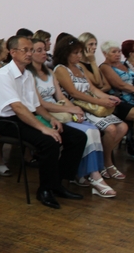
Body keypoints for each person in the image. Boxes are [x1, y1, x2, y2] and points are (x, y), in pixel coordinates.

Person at [0, 36, 87, 209]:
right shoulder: (4, 75)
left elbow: (36, 105)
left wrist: (51, 119)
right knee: (49, 141)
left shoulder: (27, 74)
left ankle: (57, 183)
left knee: (78, 137)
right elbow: (18, 108)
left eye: (31, 50)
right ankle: (45, 189)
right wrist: (43, 128)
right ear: (13, 52)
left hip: (29, 116)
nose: (29, 53)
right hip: (9, 122)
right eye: (25, 50)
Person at [52, 36, 134, 178]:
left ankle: (103, 160)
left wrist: (107, 98)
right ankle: (106, 163)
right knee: (111, 129)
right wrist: (100, 102)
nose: (79, 56)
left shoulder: (79, 67)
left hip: (91, 105)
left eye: (80, 52)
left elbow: (92, 88)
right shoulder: (61, 69)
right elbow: (74, 93)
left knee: (123, 127)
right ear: (65, 53)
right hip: (77, 107)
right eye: (76, 53)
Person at [28, 39, 114, 198]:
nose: (44, 53)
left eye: (44, 49)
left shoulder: (49, 72)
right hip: (45, 113)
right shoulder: (29, 75)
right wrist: (69, 109)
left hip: (59, 109)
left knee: (93, 130)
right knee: (87, 133)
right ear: (30, 53)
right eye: (39, 50)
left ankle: (87, 173)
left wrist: (75, 110)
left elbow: (60, 96)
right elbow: (40, 104)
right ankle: (93, 176)